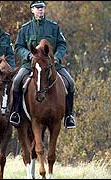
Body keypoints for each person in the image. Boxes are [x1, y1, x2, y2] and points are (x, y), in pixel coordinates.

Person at [9, 1, 76, 129]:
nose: (40, 10)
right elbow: (18, 46)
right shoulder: (25, 28)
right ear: (32, 10)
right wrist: (28, 55)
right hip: (31, 65)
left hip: (52, 65)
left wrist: (57, 57)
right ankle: (16, 113)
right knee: (17, 81)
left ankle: (69, 116)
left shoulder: (54, 27)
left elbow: (62, 44)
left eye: (42, 8)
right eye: (37, 8)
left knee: (71, 83)